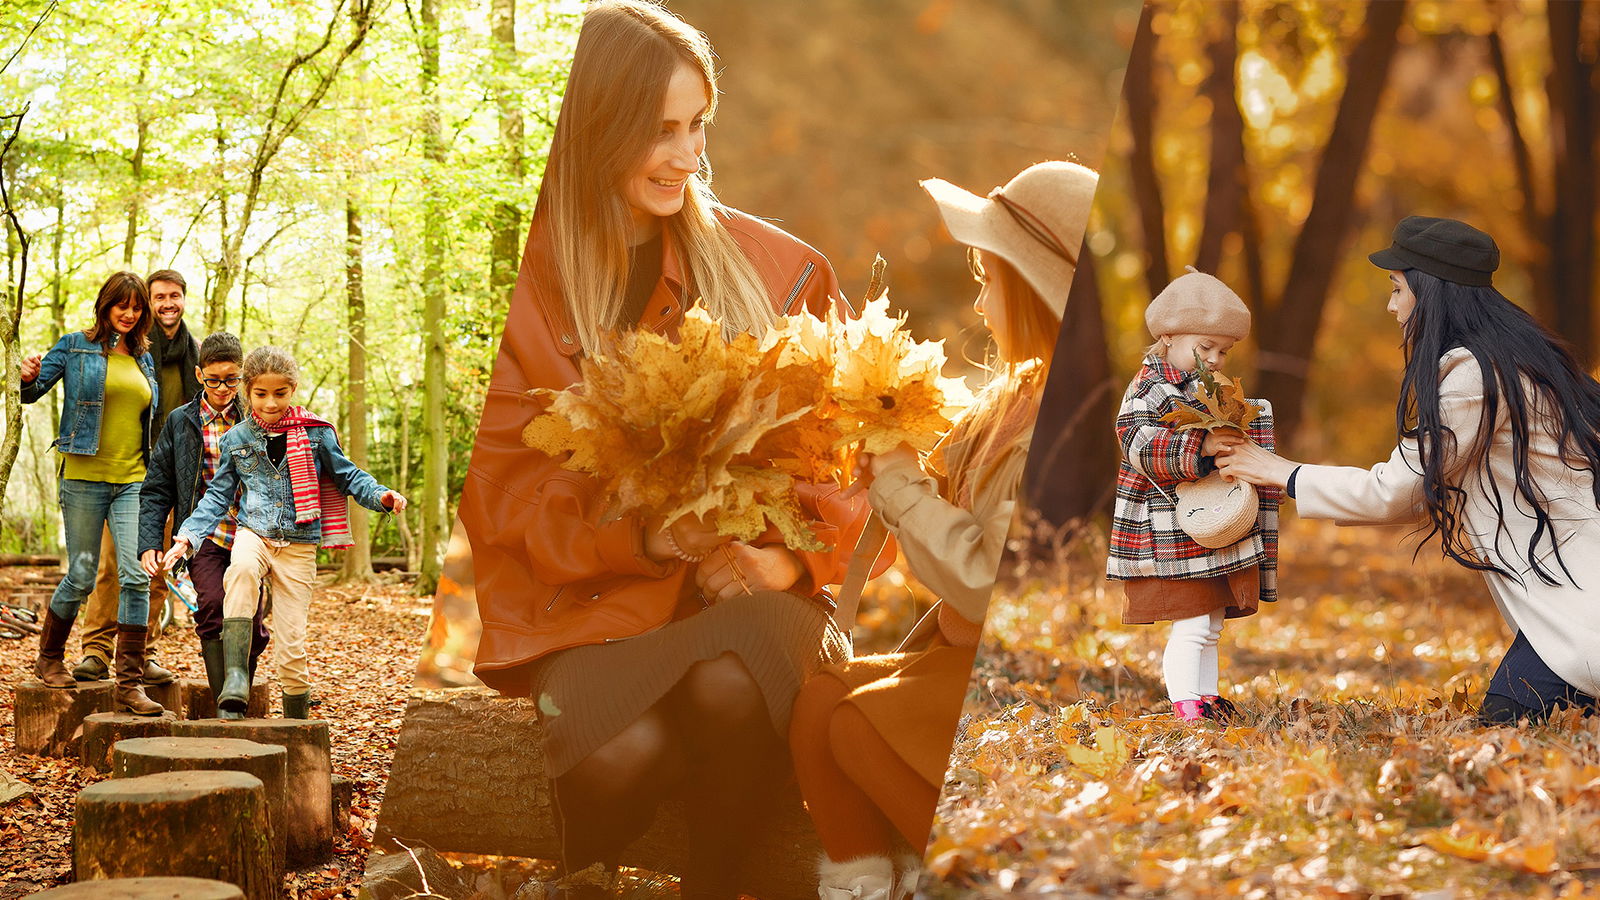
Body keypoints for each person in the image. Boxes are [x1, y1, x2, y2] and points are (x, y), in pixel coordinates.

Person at [456, 2, 883, 895]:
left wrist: (789, 562)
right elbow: (500, 496)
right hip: (598, 607)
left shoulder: (782, 272)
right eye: (661, 130)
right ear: (595, 126)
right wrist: (645, 538)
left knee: (731, 686)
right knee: (622, 756)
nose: (688, 157)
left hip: (759, 605)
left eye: (698, 125)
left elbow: (866, 459)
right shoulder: (526, 287)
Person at [788, 160, 1097, 900]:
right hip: (955, 652)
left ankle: (984, 876)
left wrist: (900, 481)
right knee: (821, 701)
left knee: (859, 726)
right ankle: (862, 881)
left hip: (1021, 671)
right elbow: (931, 491)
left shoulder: (1058, 428)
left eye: (991, 283)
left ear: (1033, 294)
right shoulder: (1009, 400)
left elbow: (983, 576)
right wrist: (877, 438)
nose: (979, 301)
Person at [1217, 216, 1600, 724]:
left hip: (1580, 596)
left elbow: (1397, 490)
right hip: (1571, 583)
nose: (1391, 306)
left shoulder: (1474, 375)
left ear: (1432, 291)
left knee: (1507, 723)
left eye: (1397, 289)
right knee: (1515, 710)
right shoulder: (1513, 356)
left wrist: (1281, 472)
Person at [164, 346, 405, 719]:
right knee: (241, 571)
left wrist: (381, 496)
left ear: (292, 389)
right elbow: (217, 496)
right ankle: (236, 677)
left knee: (291, 647)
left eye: (280, 393)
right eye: (261, 394)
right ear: (248, 390)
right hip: (254, 533)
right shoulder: (237, 438)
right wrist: (188, 536)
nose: (270, 403)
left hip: (299, 543)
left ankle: (297, 722)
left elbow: (349, 476)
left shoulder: (317, 434)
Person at [1104, 269, 1280, 725]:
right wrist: (1199, 445)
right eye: (1206, 348)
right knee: (1193, 620)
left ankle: (1207, 696)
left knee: (1212, 619)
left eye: (1224, 351)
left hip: (1205, 525)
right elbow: (1137, 443)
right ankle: (1186, 704)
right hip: (1168, 526)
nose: (1216, 359)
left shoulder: (1203, 390)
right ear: (1167, 335)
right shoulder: (1149, 388)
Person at [21, 271, 164, 716]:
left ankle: (129, 686)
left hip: (133, 480)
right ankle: (49, 658)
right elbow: (31, 393)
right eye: (122, 305)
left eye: (137, 307)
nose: (130, 313)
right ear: (105, 305)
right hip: (83, 478)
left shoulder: (144, 358)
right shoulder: (73, 346)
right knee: (82, 576)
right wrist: (25, 376)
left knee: (136, 575)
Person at [71, 268, 197, 684]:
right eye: (159, 297)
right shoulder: (135, 349)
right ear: (149, 303)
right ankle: (96, 650)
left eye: (174, 295)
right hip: (130, 469)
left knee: (156, 566)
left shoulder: (195, 354)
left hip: (174, 474)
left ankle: (144, 651)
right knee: (111, 564)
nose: (167, 304)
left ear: (183, 299)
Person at [137, 331, 272, 704]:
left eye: (232, 379)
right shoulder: (181, 422)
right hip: (204, 533)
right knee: (211, 606)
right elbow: (157, 489)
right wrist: (149, 542)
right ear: (199, 375)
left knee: (251, 618)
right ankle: (226, 703)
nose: (223, 388)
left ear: (242, 376)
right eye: (214, 380)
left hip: (253, 533)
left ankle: (239, 688)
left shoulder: (259, 418)